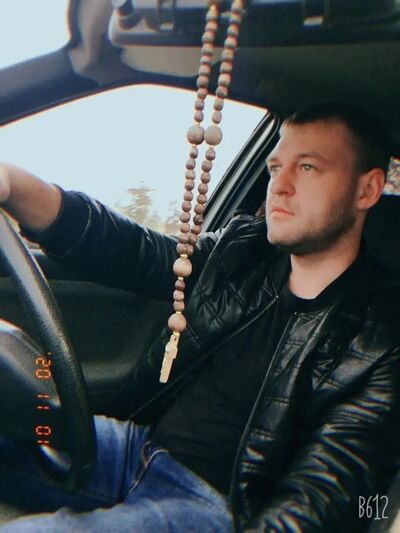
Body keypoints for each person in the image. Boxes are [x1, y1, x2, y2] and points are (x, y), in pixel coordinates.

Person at [0, 102, 399, 532]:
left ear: (367, 190)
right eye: (274, 167)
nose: (279, 186)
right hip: (136, 447)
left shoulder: (380, 340)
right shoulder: (243, 251)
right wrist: (15, 185)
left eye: (307, 167)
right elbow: (133, 251)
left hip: (212, 507)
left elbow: (324, 495)